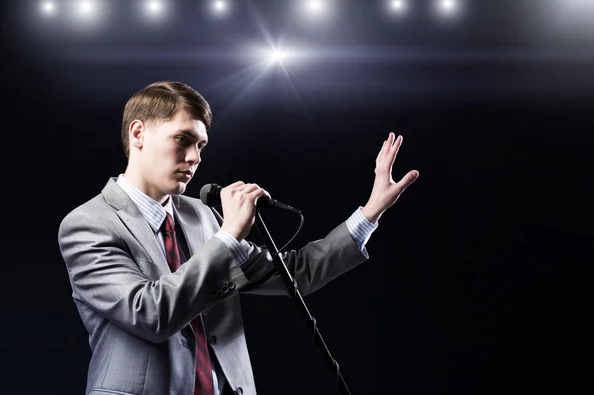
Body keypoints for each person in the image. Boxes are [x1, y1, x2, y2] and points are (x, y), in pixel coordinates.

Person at [57, 80, 419, 395]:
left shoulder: (201, 216)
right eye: (182, 139)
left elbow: (296, 274)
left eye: (201, 145)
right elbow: (151, 314)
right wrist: (228, 235)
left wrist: (370, 211)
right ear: (138, 133)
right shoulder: (89, 224)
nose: (194, 157)